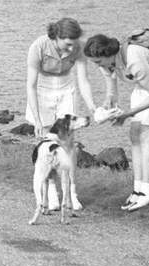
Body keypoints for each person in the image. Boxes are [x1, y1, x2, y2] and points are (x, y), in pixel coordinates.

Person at [83, 33, 149, 211]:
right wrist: (109, 104)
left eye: (98, 62)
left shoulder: (134, 61)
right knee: (134, 134)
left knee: (147, 134)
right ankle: (138, 189)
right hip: (143, 84)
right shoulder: (107, 63)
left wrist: (127, 114)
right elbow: (111, 88)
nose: (97, 66)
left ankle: (148, 189)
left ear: (108, 54)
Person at [25, 17, 97, 210]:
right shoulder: (38, 47)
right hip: (42, 90)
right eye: (68, 44)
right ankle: (51, 193)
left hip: (66, 88)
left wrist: (93, 107)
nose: (72, 49)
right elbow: (30, 86)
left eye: (74, 44)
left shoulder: (78, 47)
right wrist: (38, 120)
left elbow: (83, 80)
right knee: (46, 144)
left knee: (68, 144)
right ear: (57, 36)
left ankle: (71, 193)